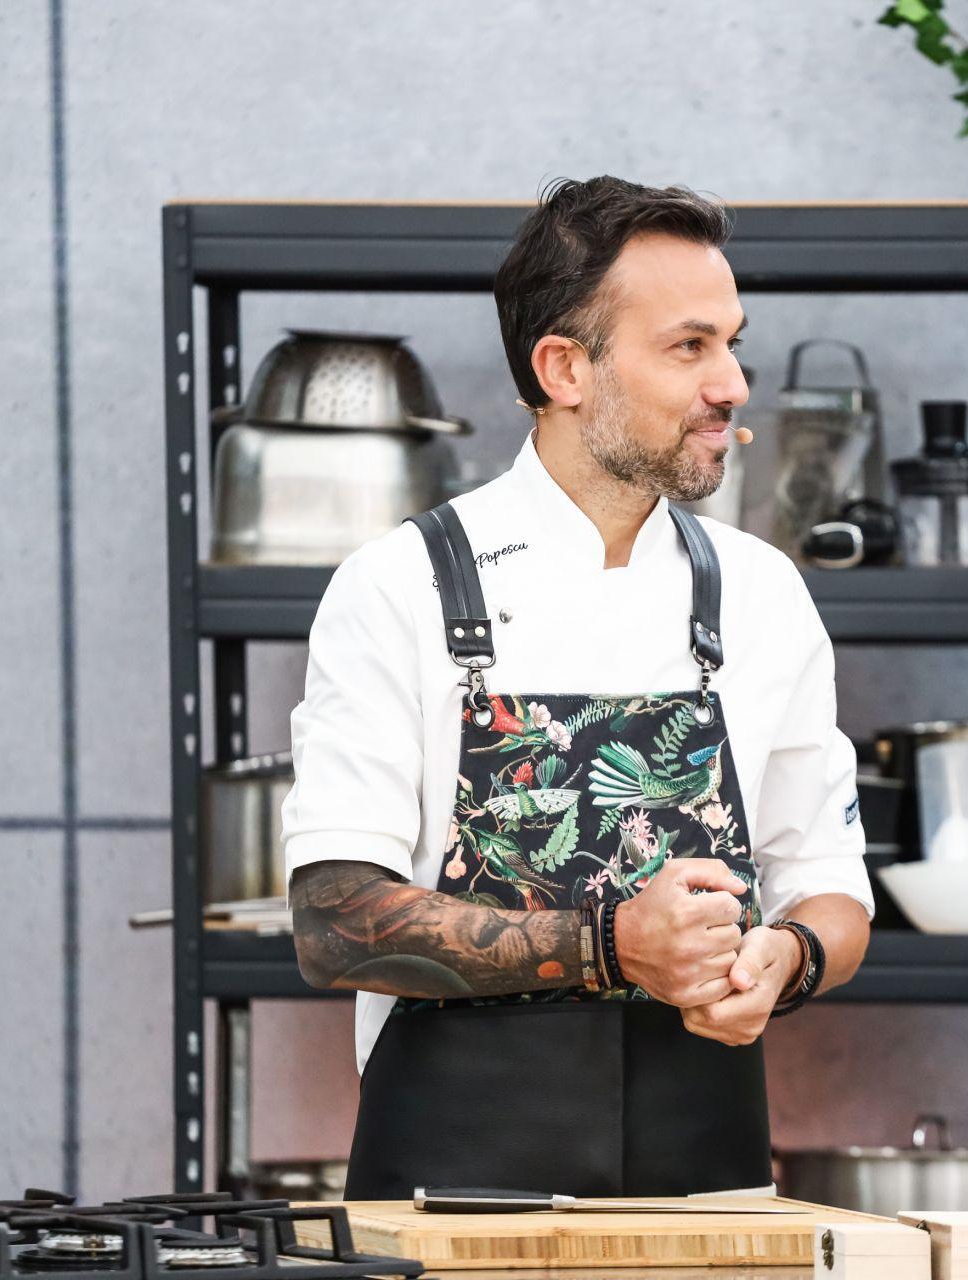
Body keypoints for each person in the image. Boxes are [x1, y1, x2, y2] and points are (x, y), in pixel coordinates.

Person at [281, 175, 873, 1200]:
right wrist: (615, 943)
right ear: (564, 367)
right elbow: (335, 921)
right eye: (689, 347)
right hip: (454, 1197)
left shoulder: (762, 593)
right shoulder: (402, 585)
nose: (733, 383)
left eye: (733, 343)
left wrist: (786, 956)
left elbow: (830, 885)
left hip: (706, 1198)